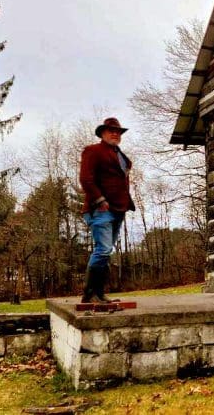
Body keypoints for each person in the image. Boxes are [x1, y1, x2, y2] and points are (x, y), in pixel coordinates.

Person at [79, 117, 135, 303]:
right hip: (100, 209)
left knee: (107, 250)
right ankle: (89, 294)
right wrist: (100, 200)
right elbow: (86, 179)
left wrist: (125, 205)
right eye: (111, 131)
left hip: (118, 209)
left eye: (118, 132)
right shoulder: (93, 151)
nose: (115, 134)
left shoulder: (121, 156)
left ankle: (99, 293)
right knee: (103, 249)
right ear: (102, 133)